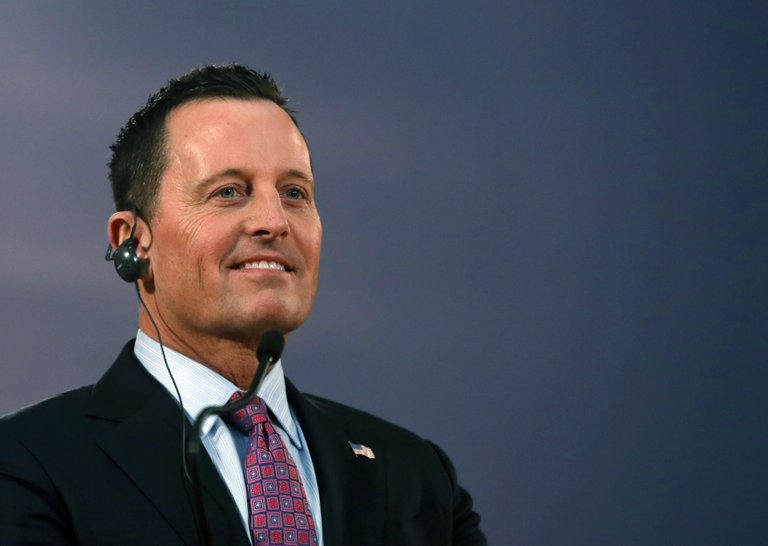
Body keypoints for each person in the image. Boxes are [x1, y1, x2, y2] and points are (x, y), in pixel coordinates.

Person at [0, 64, 487, 545]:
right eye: (229, 192)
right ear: (133, 241)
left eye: (294, 193)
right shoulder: (25, 462)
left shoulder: (416, 475)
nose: (274, 221)